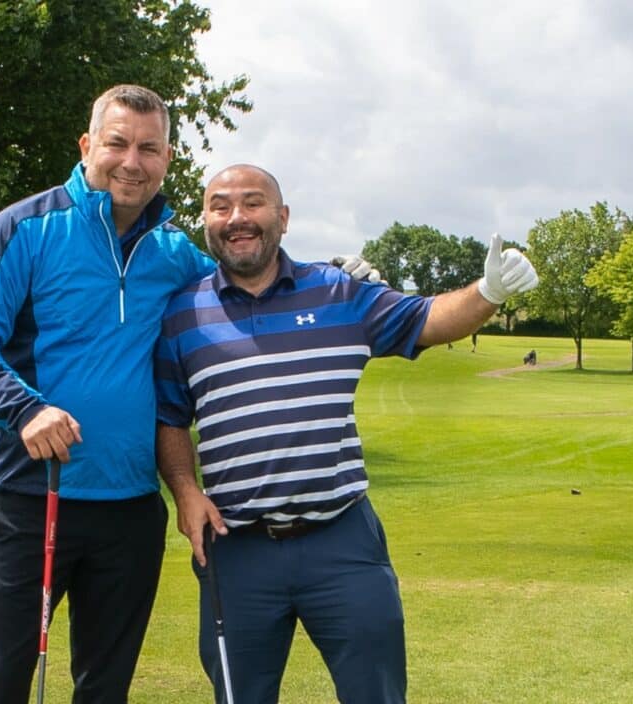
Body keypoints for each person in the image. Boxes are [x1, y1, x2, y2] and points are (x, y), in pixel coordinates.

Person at [0, 87, 376, 703]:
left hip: (131, 507)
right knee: (3, 681)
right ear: (88, 146)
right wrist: (25, 408)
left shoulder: (175, 255)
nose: (131, 161)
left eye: (148, 148)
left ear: (167, 159)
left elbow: (247, 276)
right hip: (32, 496)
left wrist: (328, 281)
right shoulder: (23, 230)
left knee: (105, 687)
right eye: (117, 143)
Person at [154, 164, 538, 704]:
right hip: (236, 550)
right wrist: (185, 489)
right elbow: (171, 418)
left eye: (253, 203)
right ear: (206, 221)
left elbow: (430, 318)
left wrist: (489, 290)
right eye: (220, 206)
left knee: (375, 694)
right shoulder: (183, 314)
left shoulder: (339, 292)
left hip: (342, 540)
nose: (237, 217)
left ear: (282, 218)